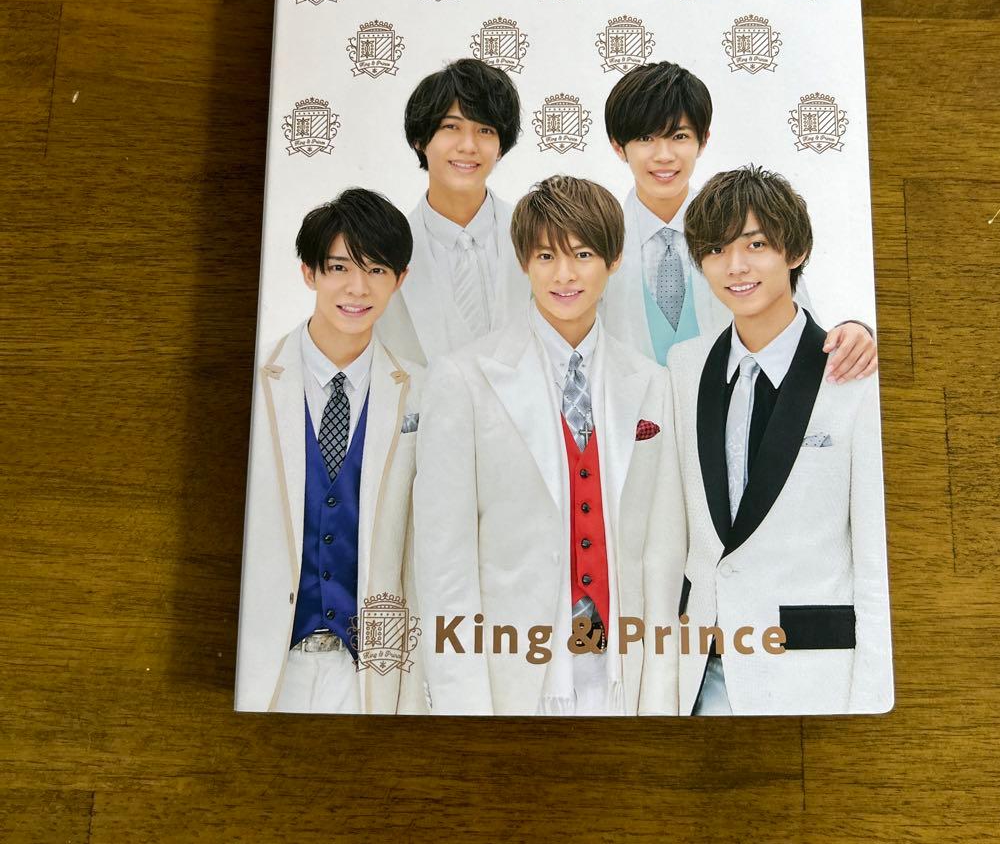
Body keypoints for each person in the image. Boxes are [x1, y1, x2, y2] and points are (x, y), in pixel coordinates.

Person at [413, 176, 685, 715]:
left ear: (614, 260)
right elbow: (444, 564)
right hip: (515, 679)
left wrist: (658, 697)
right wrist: (464, 705)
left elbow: (662, 554)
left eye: (582, 254)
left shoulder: (652, 382)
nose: (564, 275)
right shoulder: (463, 379)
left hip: (621, 677)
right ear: (524, 262)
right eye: (545, 256)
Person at [668, 166, 892, 715]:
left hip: (813, 673)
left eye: (756, 245)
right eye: (716, 249)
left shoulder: (853, 376)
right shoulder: (684, 367)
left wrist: (871, 697)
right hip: (699, 672)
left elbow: (874, 559)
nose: (735, 266)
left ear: (795, 251)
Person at [236, 189, 425, 713]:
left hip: (368, 672)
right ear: (308, 272)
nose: (357, 288)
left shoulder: (424, 394)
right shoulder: (252, 381)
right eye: (339, 267)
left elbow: (422, 556)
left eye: (377, 270)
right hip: (266, 662)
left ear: (400, 279)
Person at [602, 61, 878, 375]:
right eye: (645, 139)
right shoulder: (595, 241)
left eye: (679, 136)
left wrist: (855, 332)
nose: (664, 155)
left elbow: (798, 322)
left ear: (703, 141)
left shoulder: (752, 223)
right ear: (618, 146)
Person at [376, 58, 531, 365]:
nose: (468, 146)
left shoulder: (538, 235)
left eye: (485, 130)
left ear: (501, 147)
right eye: (451, 127)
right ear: (420, 140)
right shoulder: (381, 252)